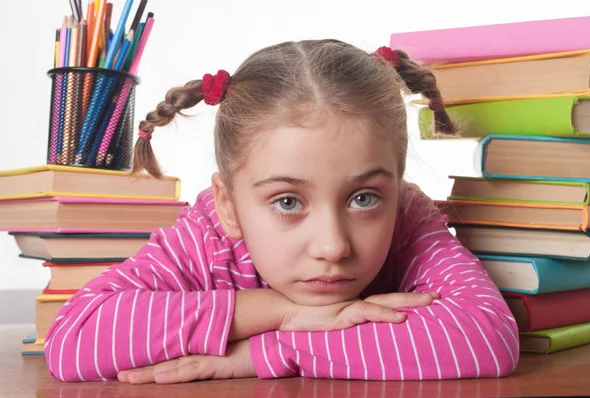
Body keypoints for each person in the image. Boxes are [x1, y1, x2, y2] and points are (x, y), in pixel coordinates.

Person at [44, 40, 519, 384]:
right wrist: (281, 312)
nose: (333, 246)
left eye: (364, 198)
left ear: (396, 187)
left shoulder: (408, 218)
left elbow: (485, 337)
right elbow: (74, 341)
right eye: (288, 202)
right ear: (229, 204)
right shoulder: (208, 237)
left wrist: (269, 350)